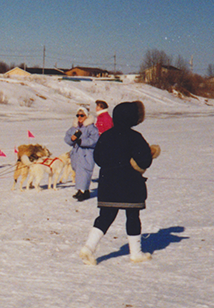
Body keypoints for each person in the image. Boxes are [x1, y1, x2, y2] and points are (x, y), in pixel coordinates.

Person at [79, 101, 153, 265]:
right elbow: (144, 160)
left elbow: (98, 158)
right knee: (132, 216)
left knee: (105, 216)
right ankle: (136, 253)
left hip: (108, 183)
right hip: (130, 184)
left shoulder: (106, 136)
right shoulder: (135, 137)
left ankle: (88, 248)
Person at [65, 106, 100, 201]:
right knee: (78, 172)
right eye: (78, 115)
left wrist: (81, 141)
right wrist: (71, 140)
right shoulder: (74, 127)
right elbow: (67, 136)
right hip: (76, 154)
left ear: (86, 116)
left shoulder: (91, 128)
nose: (79, 117)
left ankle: (83, 191)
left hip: (86, 154)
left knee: (84, 172)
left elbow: (95, 140)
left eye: (82, 115)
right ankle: (82, 190)